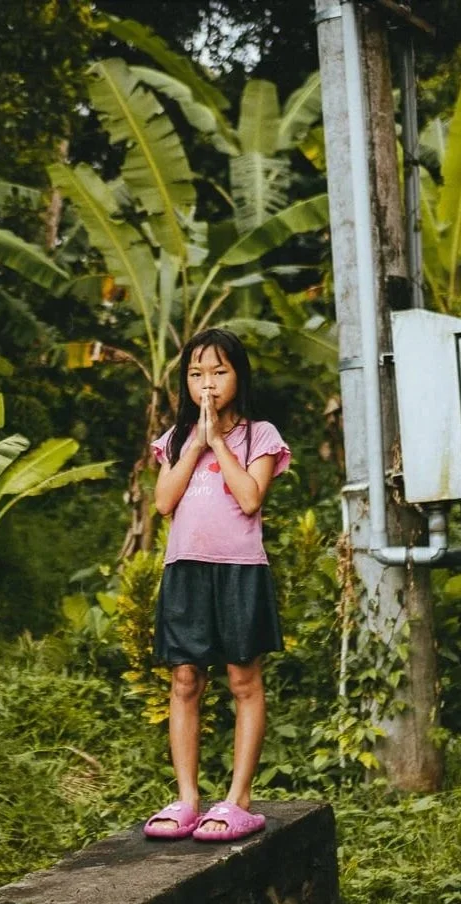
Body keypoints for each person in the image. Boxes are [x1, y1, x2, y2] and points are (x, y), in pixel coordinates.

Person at [143, 328, 290, 843]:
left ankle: (238, 800)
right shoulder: (174, 439)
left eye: (219, 371)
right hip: (185, 569)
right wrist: (195, 443)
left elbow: (250, 498)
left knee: (242, 679)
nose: (206, 383)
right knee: (184, 680)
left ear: (239, 376)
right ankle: (187, 799)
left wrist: (219, 443)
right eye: (196, 373)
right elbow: (163, 502)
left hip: (239, 569)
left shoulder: (261, 436)